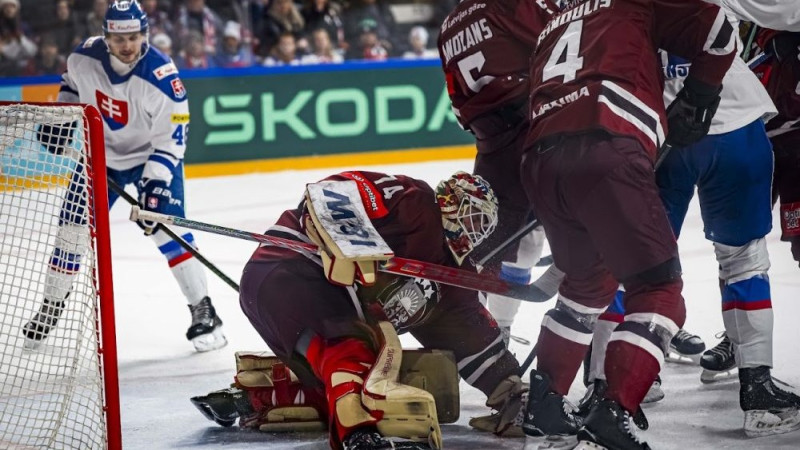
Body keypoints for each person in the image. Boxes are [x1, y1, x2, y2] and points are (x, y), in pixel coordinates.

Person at [518, 0, 737, 448]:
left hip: (540, 157)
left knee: (585, 286)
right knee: (660, 291)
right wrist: (698, 96)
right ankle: (613, 406)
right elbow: (719, 30)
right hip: (607, 142)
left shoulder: (553, 22)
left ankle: (544, 404)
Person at [582, 4, 800, 439]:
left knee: (630, 267)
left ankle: (609, 385)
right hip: (734, 126)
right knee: (745, 263)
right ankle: (757, 393)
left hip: (657, 132)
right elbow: (787, 11)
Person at [190, 170, 529, 449]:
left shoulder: (453, 280)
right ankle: (356, 437)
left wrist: (512, 389)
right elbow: (333, 191)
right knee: (349, 350)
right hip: (291, 269)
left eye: (481, 226)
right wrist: (352, 247)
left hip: (320, 308)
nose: (473, 232)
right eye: (471, 216)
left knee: (373, 377)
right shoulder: (414, 200)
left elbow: (471, 335)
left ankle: (262, 393)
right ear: (449, 203)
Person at [22, 0, 227, 353]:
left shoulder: (162, 77)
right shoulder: (83, 58)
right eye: (119, 39)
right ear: (105, 38)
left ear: (144, 35)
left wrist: (155, 183)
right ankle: (51, 305)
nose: (127, 45)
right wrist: (62, 120)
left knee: (168, 228)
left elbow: (172, 139)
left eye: (133, 37)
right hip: (101, 159)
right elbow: (71, 85)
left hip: (153, 156)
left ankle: (203, 309)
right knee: (70, 233)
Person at [437, 0, 557, 348]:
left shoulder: (449, 25)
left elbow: (459, 103)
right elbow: (565, 38)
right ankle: (618, 331)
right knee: (599, 228)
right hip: (538, 129)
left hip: (492, 144)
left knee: (498, 246)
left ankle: (493, 335)